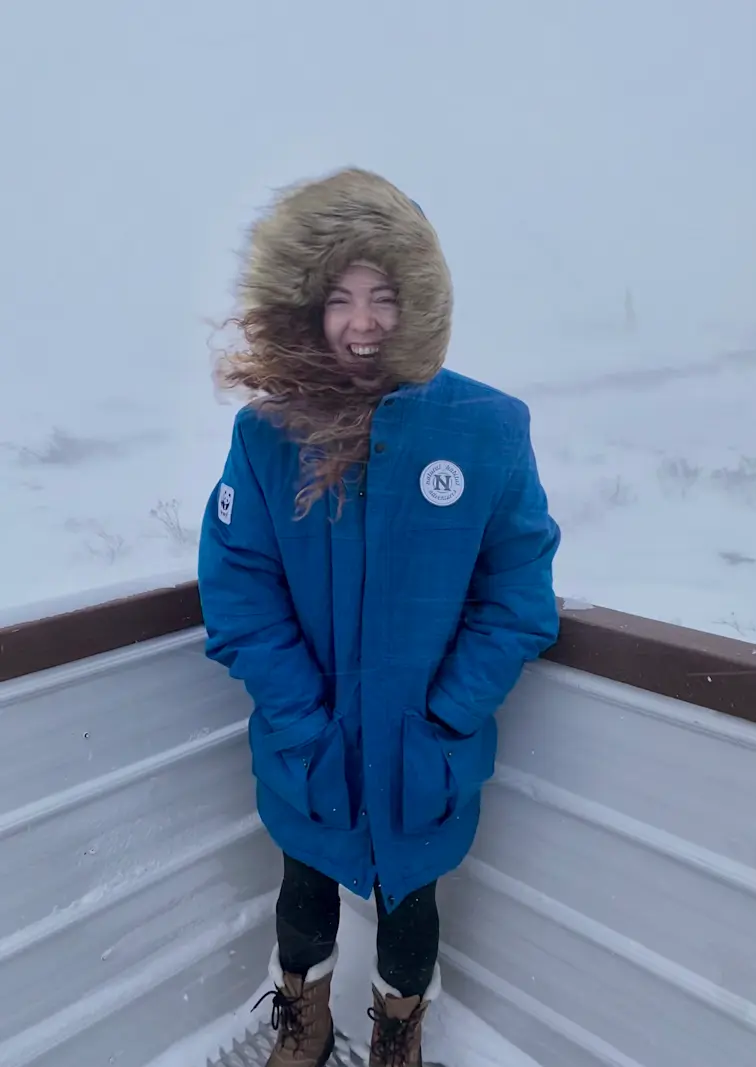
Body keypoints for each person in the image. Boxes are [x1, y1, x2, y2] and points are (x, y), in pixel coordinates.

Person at [197, 167, 561, 1067]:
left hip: (424, 751)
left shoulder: (487, 428)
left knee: (411, 905)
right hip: (306, 741)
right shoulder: (267, 434)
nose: (362, 321)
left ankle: (399, 1033)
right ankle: (305, 1022)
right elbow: (240, 589)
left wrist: (445, 716)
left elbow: (517, 592)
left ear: (419, 302)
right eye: (340, 298)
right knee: (303, 889)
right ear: (307, 307)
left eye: (384, 296)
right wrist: (300, 717)